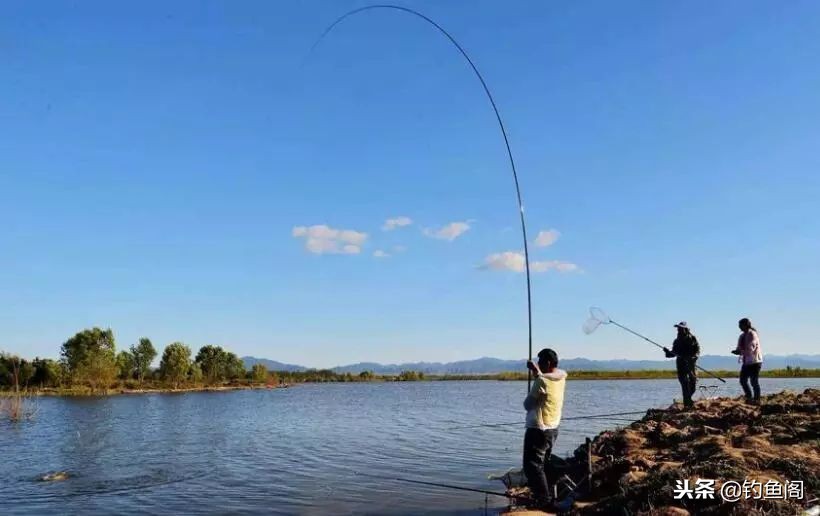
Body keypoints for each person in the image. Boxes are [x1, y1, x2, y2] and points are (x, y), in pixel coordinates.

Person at [523, 348, 567, 509]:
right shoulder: (561, 378)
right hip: (553, 429)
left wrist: (536, 377)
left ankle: (544, 501)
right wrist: (537, 372)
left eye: (540, 362)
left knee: (532, 466)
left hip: (538, 429)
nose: (539, 364)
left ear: (547, 363)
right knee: (543, 464)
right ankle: (549, 496)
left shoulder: (541, 381)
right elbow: (546, 382)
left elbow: (527, 405)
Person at [663, 322, 700, 408]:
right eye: (678, 329)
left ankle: (687, 400)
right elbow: (672, 354)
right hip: (681, 366)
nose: (678, 330)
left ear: (685, 329)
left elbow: (697, 351)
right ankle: (687, 404)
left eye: (680, 329)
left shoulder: (692, 339)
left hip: (691, 365)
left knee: (693, 384)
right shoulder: (676, 341)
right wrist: (667, 352)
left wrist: (694, 357)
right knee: (685, 384)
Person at [732, 317, 763, 403]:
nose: (739, 327)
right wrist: (737, 351)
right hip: (746, 362)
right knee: (742, 381)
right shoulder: (741, 336)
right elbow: (739, 347)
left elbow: (750, 350)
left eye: (740, 325)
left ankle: (757, 399)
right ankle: (749, 396)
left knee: (754, 382)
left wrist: (740, 352)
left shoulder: (752, 334)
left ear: (746, 325)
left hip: (755, 361)